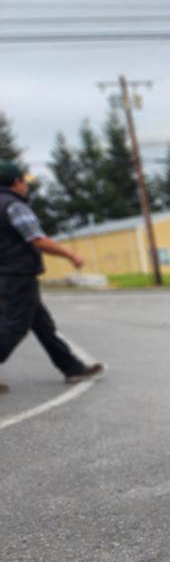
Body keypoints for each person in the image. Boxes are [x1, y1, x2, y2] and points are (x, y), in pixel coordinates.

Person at [0, 160, 104, 394]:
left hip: (7, 275)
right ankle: (72, 367)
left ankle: (72, 368)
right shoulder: (13, 206)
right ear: (15, 183)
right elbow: (37, 239)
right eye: (24, 183)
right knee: (14, 326)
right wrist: (70, 255)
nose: (27, 188)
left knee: (43, 325)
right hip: (17, 275)